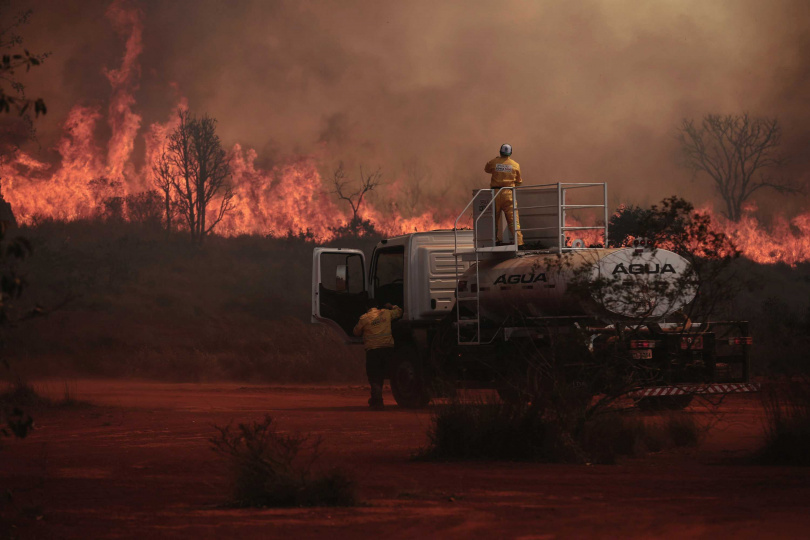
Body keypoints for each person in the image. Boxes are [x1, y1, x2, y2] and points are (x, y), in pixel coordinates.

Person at [353, 301, 403, 410]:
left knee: (375, 376)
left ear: (366, 307)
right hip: (388, 349)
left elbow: (356, 332)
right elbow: (399, 312)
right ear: (377, 306)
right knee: (388, 373)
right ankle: (380, 398)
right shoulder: (386, 313)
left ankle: (377, 401)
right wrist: (392, 306)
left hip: (373, 351)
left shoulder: (364, 318)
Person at [484, 143, 524, 246]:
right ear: (510, 153)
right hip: (509, 193)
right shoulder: (515, 165)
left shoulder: (494, 162)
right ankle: (519, 242)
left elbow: (487, 169)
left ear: (500, 151)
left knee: (493, 219)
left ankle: (494, 240)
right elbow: (519, 181)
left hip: (495, 193)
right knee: (513, 220)